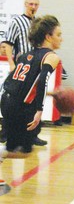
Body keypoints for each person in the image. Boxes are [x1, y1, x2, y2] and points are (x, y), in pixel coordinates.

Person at [0, 15, 62, 173]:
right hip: (19, 107)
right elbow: (42, 81)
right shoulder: (51, 57)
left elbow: (23, 83)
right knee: (24, 152)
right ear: (48, 36)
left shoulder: (26, 55)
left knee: (12, 147)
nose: (61, 39)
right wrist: (39, 110)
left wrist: (50, 94)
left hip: (7, 99)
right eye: (58, 35)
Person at [1, 0, 47, 146]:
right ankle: (6, 132)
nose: (33, 6)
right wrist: (12, 64)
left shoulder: (38, 24)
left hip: (35, 68)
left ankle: (33, 134)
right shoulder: (17, 21)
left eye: (36, 4)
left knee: (33, 102)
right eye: (30, 4)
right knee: (14, 101)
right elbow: (7, 43)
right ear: (25, 4)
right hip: (21, 67)